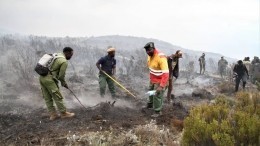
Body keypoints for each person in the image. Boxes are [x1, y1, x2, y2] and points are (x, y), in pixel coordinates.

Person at [39, 47, 75, 120]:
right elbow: (61, 76)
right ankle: (64, 113)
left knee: (47, 97)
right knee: (57, 96)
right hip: (49, 79)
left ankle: (53, 115)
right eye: (71, 54)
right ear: (67, 53)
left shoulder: (57, 55)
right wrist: (63, 83)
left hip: (41, 77)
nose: (71, 56)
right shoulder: (64, 61)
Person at [143, 42, 169, 118]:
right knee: (150, 92)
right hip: (153, 79)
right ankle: (150, 104)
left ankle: (157, 111)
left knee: (157, 95)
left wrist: (161, 85)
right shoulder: (149, 56)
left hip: (160, 80)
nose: (148, 52)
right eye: (147, 51)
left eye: (150, 50)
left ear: (154, 48)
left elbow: (166, 73)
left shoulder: (161, 57)